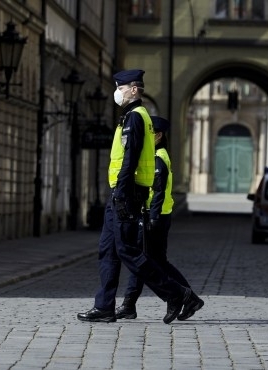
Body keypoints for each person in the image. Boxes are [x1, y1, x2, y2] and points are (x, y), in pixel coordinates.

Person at [77, 69, 203, 324]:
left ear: (133, 89)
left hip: (127, 192)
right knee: (108, 251)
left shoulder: (135, 117)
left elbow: (130, 158)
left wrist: (122, 194)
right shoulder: (131, 117)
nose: (118, 92)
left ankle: (177, 293)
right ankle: (104, 307)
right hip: (119, 193)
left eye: (120, 88)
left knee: (128, 251)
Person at [115, 116, 203, 321]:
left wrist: (153, 218)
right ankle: (131, 304)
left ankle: (184, 297)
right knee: (149, 261)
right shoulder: (156, 154)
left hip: (156, 217)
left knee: (147, 262)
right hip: (155, 216)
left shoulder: (158, 158)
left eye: (150, 134)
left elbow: (159, 191)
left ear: (159, 136)